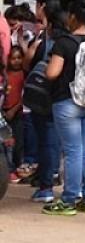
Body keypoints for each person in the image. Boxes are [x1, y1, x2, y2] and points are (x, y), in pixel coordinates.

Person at [43, 0, 85, 215]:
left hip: (67, 101)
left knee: (72, 152)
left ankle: (69, 200)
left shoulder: (64, 43)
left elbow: (52, 72)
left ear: (72, 17)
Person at [24, 0, 64, 203]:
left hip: (43, 97)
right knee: (61, 143)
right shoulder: (70, 39)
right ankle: (60, 181)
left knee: (46, 141)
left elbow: (27, 63)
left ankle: (46, 186)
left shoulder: (43, 40)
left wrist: (28, 48)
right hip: (63, 97)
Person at [2, 46, 25, 183]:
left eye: (19, 58)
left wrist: (14, 110)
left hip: (17, 113)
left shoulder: (23, 76)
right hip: (4, 112)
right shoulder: (5, 76)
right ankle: (9, 169)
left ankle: (17, 167)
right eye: (13, 58)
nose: (16, 61)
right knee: (7, 143)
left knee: (19, 143)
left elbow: (24, 97)